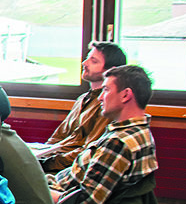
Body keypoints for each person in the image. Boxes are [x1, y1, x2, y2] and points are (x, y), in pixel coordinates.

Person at [48, 64, 158, 204]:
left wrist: (39, 193)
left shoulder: (118, 144)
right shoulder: (139, 133)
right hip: (61, 191)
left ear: (125, 95)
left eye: (106, 90)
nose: (99, 98)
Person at [38, 41, 127, 172]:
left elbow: (89, 151)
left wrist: (46, 164)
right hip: (53, 161)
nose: (84, 63)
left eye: (93, 61)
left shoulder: (108, 105)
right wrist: (39, 157)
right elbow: (58, 137)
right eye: (87, 58)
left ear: (111, 70)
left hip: (70, 169)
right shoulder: (82, 99)